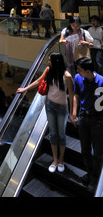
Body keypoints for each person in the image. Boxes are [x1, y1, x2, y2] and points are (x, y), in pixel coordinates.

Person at [17, 52, 74, 173]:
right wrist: (25, 89)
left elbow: (72, 95)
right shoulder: (49, 70)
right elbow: (38, 81)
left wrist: (73, 113)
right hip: (50, 106)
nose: (48, 62)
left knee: (61, 134)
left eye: (50, 60)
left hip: (62, 108)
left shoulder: (67, 76)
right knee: (53, 134)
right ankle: (54, 160)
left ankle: (61, 160)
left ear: (56, 61)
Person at [72, 57, 103, 193]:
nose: (77, 72)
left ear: (88, 71)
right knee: (85, 149)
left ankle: (96, 178)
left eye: (79, 70)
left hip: (98, 119)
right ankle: (90, 173)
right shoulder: (78, 78)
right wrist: (73, 112)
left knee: (98, 152)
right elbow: (76, 95)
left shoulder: (101, 81)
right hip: (84, 116)